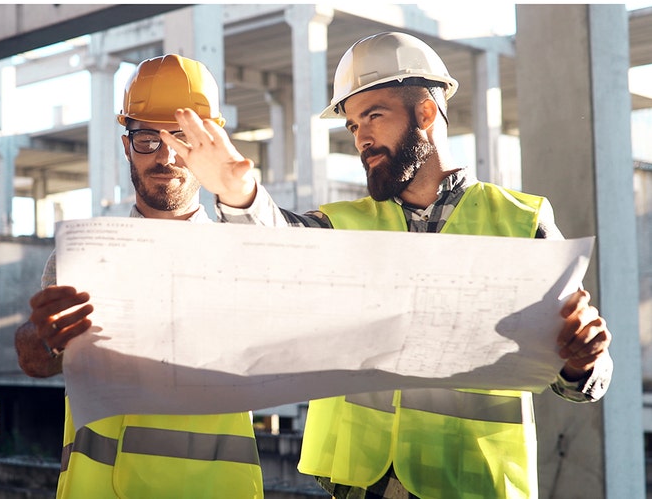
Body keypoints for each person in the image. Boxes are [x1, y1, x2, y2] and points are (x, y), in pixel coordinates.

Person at [160, 32, 613, 499]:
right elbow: (278, 249)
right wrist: (240, 195)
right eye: (353, 126)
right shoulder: (344, 226)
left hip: (473, 484)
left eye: (373, 116)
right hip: (359, 486)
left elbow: (581, 380)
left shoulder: (521, 223)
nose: (362, 138)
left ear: (426, 112)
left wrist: (583, 363)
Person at [13, 54, 264, 499]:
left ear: (209, 144)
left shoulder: (245, 255)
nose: (165, 156)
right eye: (148, 138)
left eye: (182, 139)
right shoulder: (82, 257)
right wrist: (39, 341)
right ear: (127, 144)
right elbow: (40, 362)